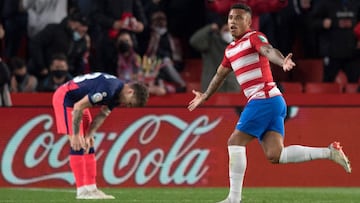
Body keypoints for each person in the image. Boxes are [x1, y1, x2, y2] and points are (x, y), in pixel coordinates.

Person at [187, 4, 352, 203]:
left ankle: (233, 199)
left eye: (239, 18)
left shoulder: (254, 37)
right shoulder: (230, 50)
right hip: (272, 102)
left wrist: (281, 61)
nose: (232, 21)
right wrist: (205, 95)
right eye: (230, 17)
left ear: (249, 22)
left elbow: (268, 50)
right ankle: (329, 151)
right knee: (275, 155)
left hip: (263, 98)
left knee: (234, 142)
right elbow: (219, 75)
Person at [52, 72, 149, 199]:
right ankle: (81, 191)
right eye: (130, 103)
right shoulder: (109, 89)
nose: (127, 106)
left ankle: (92, 189)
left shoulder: (117, 93)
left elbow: (102, 115)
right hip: (66, 99)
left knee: (88, 143)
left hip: (78, 102)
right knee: (78, 144)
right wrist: (75, 134)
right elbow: (78, 106)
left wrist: (89, 134)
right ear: (130, 92)